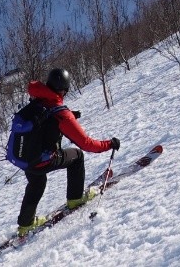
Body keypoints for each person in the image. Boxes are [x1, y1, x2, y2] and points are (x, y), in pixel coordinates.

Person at [12, 68, 121, 236]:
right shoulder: (61, 113)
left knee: (37, 182)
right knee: (77, 156)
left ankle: (25, 225)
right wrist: (109, 144)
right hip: (42, 159)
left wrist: (70, 116)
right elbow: (86, 143)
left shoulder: (37, 101)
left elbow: (46, 122)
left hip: (26, 160)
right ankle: (75, 199)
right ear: (65, 89)